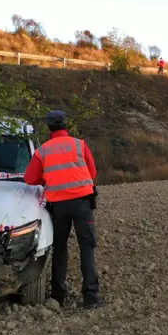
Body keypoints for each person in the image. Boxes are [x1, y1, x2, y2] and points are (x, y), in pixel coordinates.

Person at [23, 110, 102, 309]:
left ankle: (58, 296)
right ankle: (91, 298)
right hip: (83, 203)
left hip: (58, 207)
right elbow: (92, 172)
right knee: (87, 248)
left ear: (48, 127)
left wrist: (48, 178)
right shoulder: (79, 144)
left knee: (60, 249)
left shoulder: (43, 151)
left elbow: (30, 179)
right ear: (66, 125)